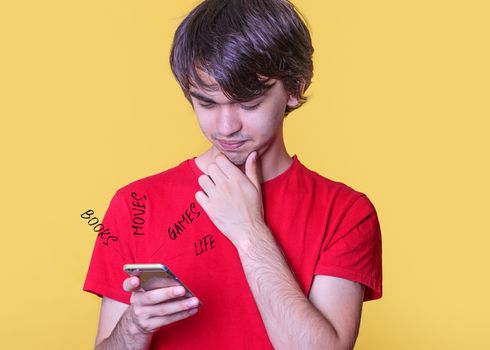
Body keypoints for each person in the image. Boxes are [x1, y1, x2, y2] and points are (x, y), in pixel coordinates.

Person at [83, 0, 383, 349]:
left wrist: (248, 230)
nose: (226, 127)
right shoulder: (135, 204)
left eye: (248, 104)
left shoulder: (345, 212)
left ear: (295, 89)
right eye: (207, 103)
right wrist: (134, 327)